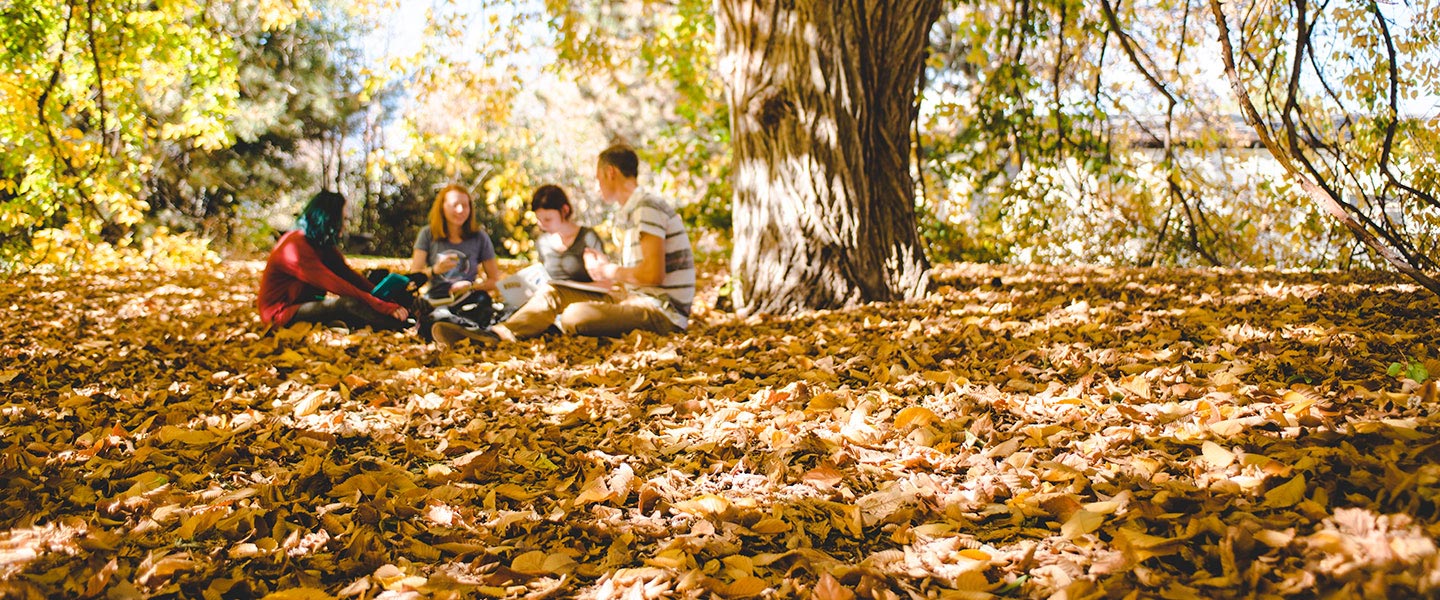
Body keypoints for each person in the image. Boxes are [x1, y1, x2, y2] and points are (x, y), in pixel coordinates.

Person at [433, 144, 695, 346]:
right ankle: (495, 334)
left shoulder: (646, 206)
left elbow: (652, 275)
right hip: (636, 299)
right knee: (553, 291)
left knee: (573, 316)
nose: (597, 184)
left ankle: (516, 330)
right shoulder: (634, 210)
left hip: (663, 313)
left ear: (610, 172)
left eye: (598, 178)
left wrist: (607, 271)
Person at [257, 190, 409, 330]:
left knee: (355, 303)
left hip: (303, 305)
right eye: (342, 219)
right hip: (280, 314)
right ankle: (403, 326)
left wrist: (382, 298)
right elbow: (336, 284)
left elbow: (348, 276)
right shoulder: (295, 246)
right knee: (347, 304)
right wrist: (382, 306)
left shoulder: (321, 244)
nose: (344, 224)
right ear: (329, 219)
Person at [410, 184, 502, 335]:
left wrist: (471, 287)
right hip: (436, 299)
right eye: (455, 205)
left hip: (469, 298)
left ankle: (457, 327)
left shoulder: (479, 237)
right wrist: (435, 270)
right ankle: (464, 328)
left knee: (482, 303)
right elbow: (413, 278)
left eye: (465, 206)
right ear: (443, 207)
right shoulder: (427, 234)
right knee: (432, 316)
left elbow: (494, 281)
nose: (460, 210)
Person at [530, 184, 607, 283]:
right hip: (552, 294)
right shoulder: (542, 242)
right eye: (539, 220)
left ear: (565, 210)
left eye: (548, 219)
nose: (542, 225)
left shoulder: (588, 237)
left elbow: (605, 283)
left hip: (585, 296)